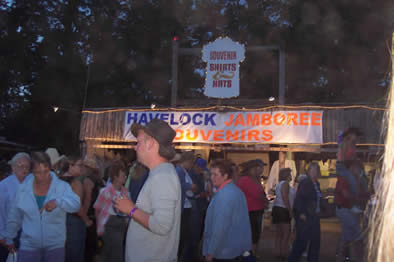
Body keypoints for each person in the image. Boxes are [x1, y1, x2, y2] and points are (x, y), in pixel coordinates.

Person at [114, 119, 182, 262]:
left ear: (151, 143)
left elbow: (162, 226)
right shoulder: (160, 173)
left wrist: (131, 210)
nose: (135, 147)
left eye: (138, 142)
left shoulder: (162, 177)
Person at [5, 152, 80, 262]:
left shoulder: (62, 186)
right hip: (28, 246)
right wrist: (9, 238)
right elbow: (15, 216)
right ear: (32, 172)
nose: (43, 176)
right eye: (38, 172)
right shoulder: (23, 190)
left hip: (55, 247)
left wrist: (58, 202)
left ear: (50, 168)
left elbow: (76, 204)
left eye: (46, 171)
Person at [203, 159, 252, 262]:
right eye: (211, 174)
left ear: (225, 176)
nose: (212, 178)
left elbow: (219, 227)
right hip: (233, 248)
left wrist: (211, 251)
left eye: (215, 175)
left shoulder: (225, 195)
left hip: (223, 250)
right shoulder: (235, 190)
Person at [94, 161, 129, 262]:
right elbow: (97, 209)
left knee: (111, 252)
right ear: (115, 176)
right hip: (109, 225)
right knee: (113, 253)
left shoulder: (125, 192)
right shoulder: (105, 192)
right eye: (123, 175)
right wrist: (99, 227)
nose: (125, 177)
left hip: (121, 224)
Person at [288, 162, 322, 262]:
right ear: (308, 172)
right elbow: (299, 199)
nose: (314, 173)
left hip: (315, 216)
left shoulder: (317, 183)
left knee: (315, 242)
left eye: (316, 170)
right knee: (301, 242)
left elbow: (318, 199)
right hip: (306, 217)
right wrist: (301, 213)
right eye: (312, 170)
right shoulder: (305, 183)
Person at [335, 159, 369, 262]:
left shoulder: (353, 178)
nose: (360, 171)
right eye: (359, 169)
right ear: (353, 167)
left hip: (348, 209)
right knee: (356, 234)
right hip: (344, 209)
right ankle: (357, 258)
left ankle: (343, 256)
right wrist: (359, 198)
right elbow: (346, 194)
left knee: (347, 235)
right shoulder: (345, 178)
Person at [0, 152, 31, 262]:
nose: (24, 169)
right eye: (21, 166)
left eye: (27, 166)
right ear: (13, 168)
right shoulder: (4, 186)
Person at [237, 159, 269, 255]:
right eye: (260, 167)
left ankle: (253, 254)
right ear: (254, 168)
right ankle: (250, 255)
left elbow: (260, 193)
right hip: (250, 212)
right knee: (252, 236)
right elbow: (257, 194)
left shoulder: (255, 179)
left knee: (256, 235)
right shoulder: (246, 179)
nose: (262, 169)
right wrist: (265, 200)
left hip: (256, 210)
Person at [175, 151, 198, 262]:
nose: (192, 165)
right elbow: (179, 184)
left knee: (184, 234)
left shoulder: (183, 171)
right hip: (182, 207)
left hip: (185, 206)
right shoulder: (179, 170)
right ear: (188, 161)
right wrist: (191, 186)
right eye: (192, 163)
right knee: (182, 234)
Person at [272, 168, 295, 259]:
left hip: (277, 208)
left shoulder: (279, 184)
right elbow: (285, 197)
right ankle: (283, 253)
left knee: (279, 233)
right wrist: (290, 210)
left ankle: (277, 251)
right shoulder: (285, 184)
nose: (291, 176)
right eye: (290, 174)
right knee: (286, 233)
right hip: (283, 209)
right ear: (287, 175)